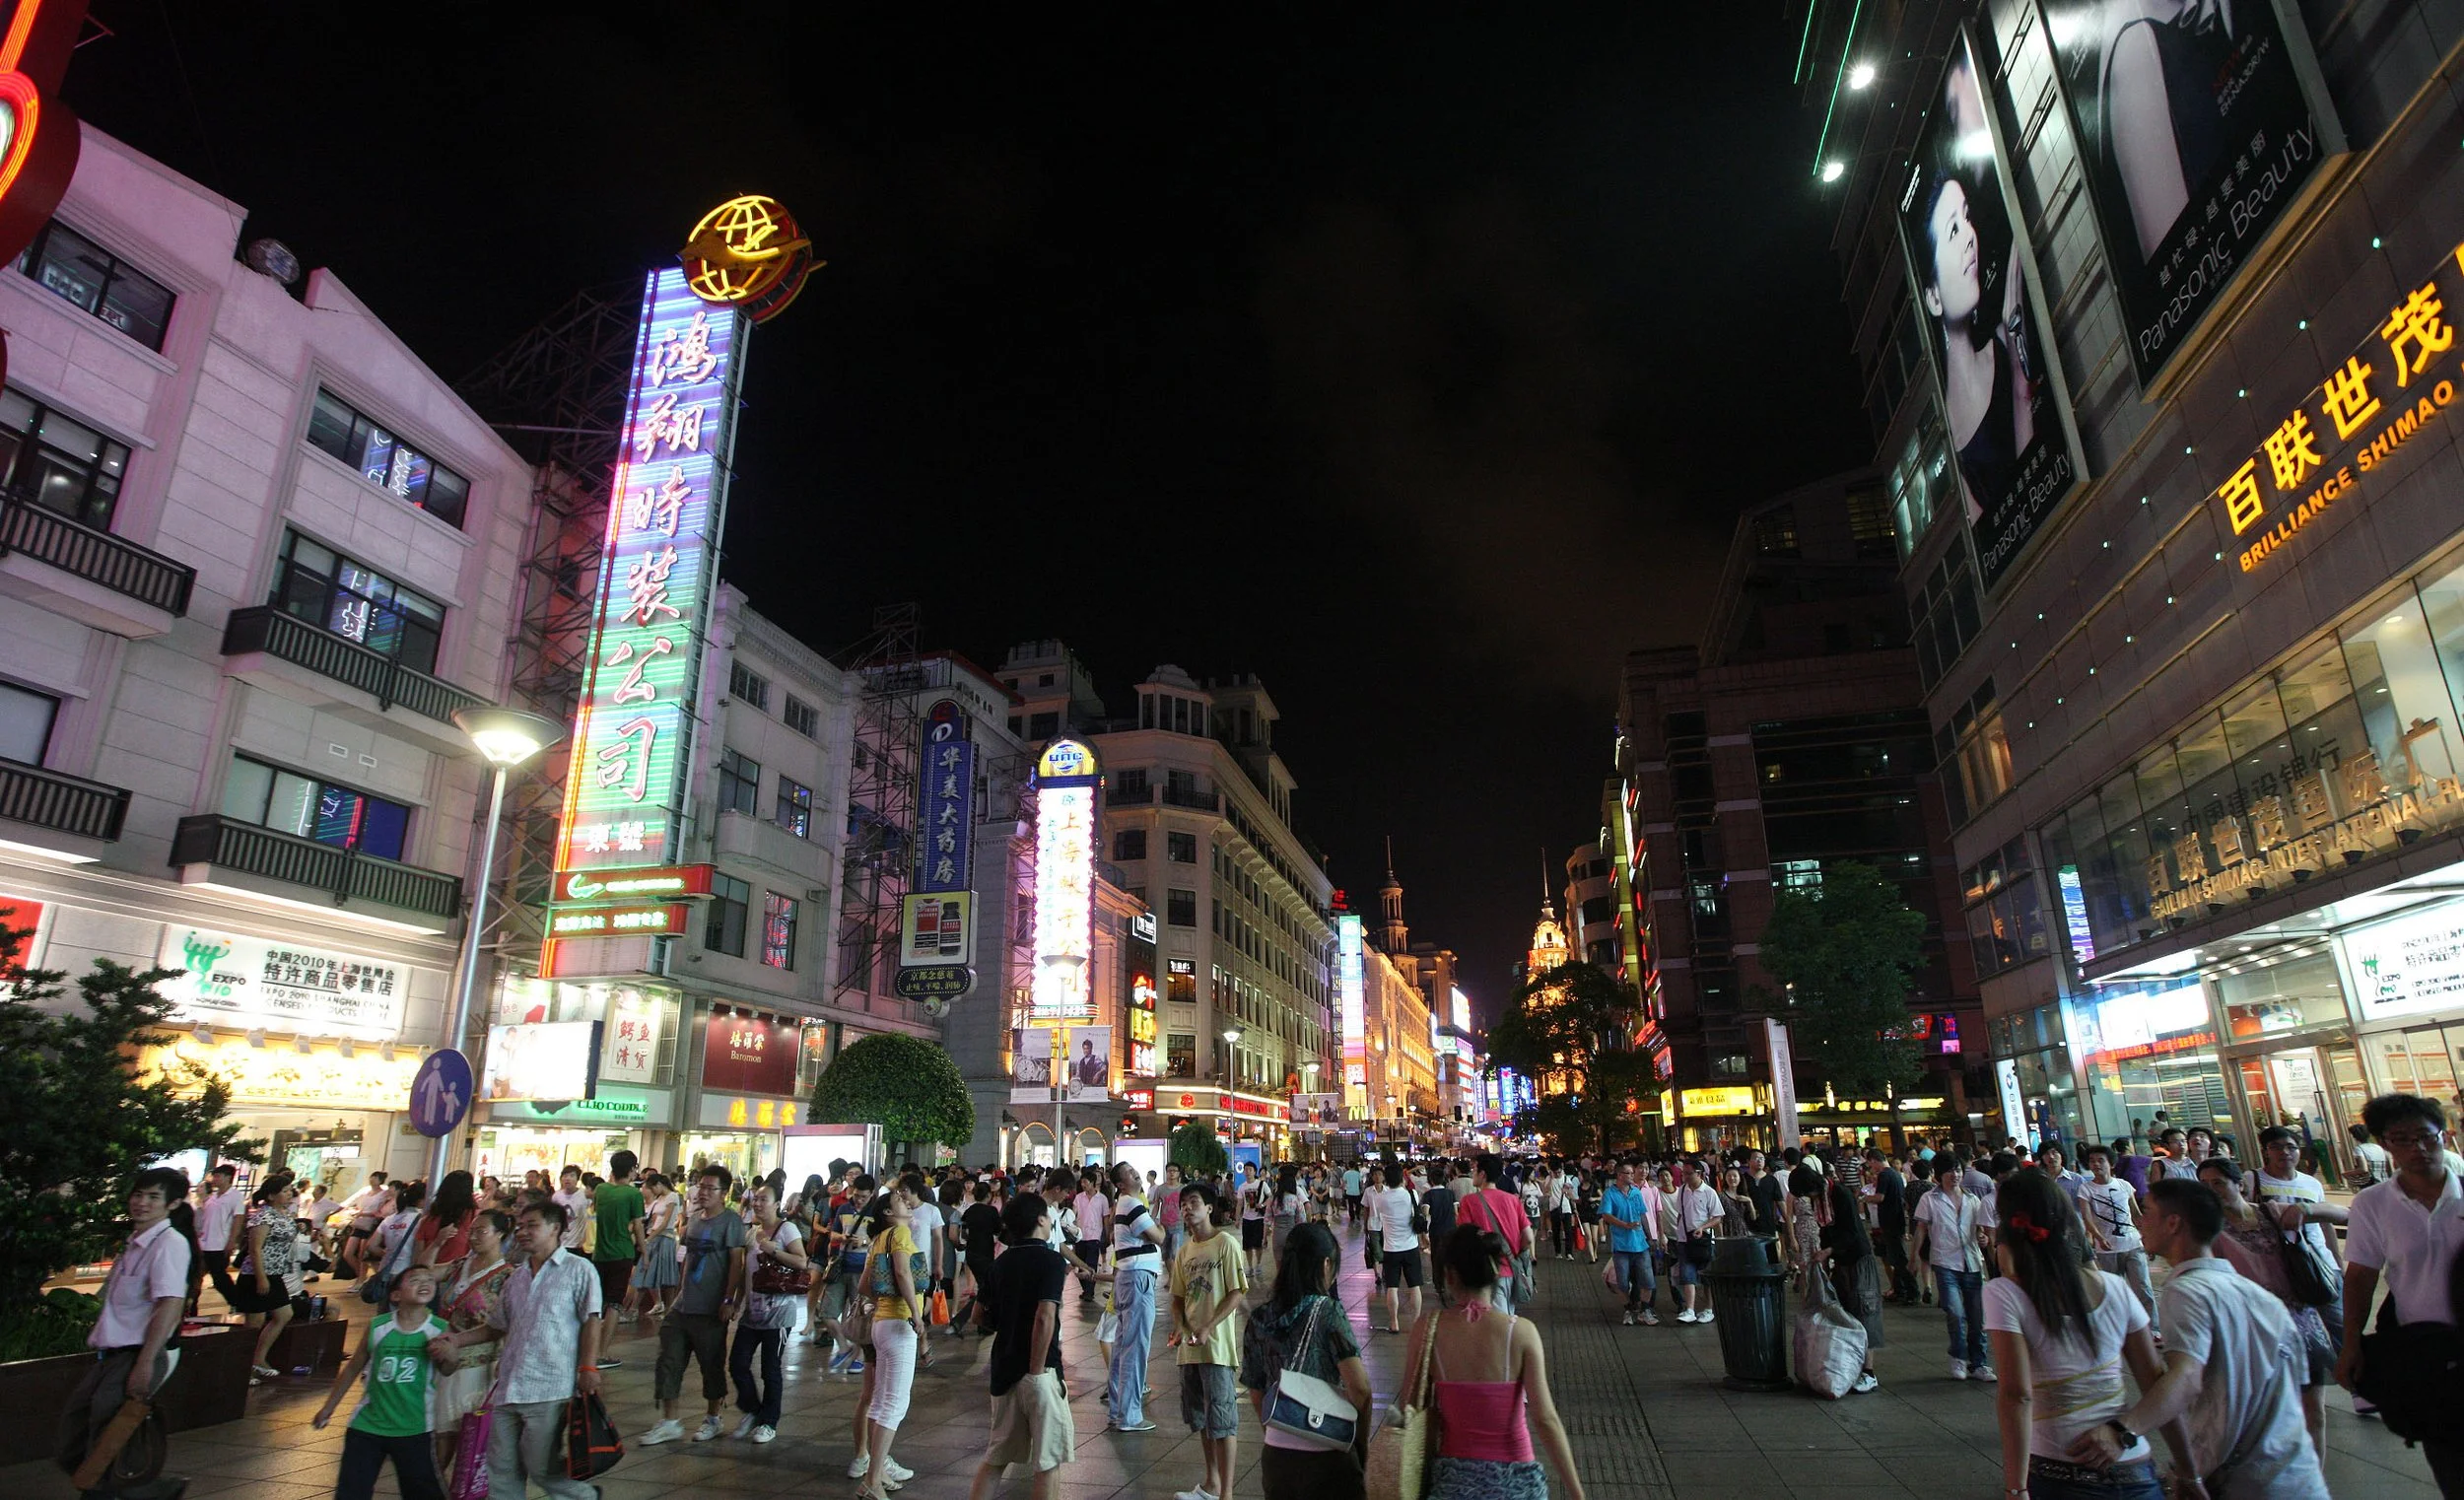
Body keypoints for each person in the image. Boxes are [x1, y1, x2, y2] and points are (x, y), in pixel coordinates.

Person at [2083, 1179, 2329, 1500]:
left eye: (2147, 1211)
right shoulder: (2263, 1299)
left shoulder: (2187, 1291)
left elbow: (2187, 1377)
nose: (2139, 1221)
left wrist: (2123, 1430)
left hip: (2244, 1484)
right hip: (2297, 1476)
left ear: (2173, 1223)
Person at [1982, 1171, 2192, 1500]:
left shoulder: (2004, 1294)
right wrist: (2189, 1471)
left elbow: (2017, 1396)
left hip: (2058, 1471)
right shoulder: (2115, 1287)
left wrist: (2016, 1486)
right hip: (2133, 1467)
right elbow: (2155, 1382)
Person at [433, 1198, 601, 1500]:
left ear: (555, 1228)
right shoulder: (517, 1277)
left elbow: (592, 1320)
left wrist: (588, 1367)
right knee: (501, 1468)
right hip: (508, 1386)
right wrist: (456, 1340)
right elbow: (496, 1326)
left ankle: (584, 1496)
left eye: (531, 1225)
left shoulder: (579, 1270)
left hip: (550, 1386)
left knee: (541, 1467)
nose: (522, 1232)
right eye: (520, 1226)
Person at [2338, 1092, 2464, 1493]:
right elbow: (2361, 1275)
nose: (2418, 1148)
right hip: (2427, 1354)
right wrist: (2351, 1344)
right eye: (2402, 1139)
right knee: (2450, 1459)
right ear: (2384, 1145)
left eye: (2426, 1136)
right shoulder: (2373, 1204)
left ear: (2444, 1135)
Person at [1403, 1227, 1587, 1500]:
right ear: (1497, 1272)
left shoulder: (1427, 1329)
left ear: (1449, 1275)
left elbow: (1407, 1404)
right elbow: (1545, 1419)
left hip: (1452, 1483)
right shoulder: (1521, 1332)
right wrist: (1576, 1492)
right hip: (1516, 1482)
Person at [56, 1167, 192, 1489]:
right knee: (75, 1432)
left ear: (173, 1204)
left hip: (136, 1353)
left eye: (153, 1197)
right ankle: (151, 1490)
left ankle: (123, 1491)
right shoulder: (134, 1242)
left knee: (107, 1437)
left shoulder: (169, 1243)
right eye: (138, 1194)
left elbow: (170, 1304)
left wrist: (145, 1362)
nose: (142, 1202)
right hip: (111, 1354)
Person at [2195, 1158, 2333, 1456]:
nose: (2211, 1190)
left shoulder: (2271, 1212)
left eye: (2218, 1183)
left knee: (2314, 1412)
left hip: (2301, 1322)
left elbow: (2341, 1213)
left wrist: (2304, 1209)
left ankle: (2315, 1478)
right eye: (2204, 1185)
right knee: (2269, 1416)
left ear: (2240, 1185)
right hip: (2253, 1330)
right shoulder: (2208, 1230)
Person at [1240, 1223, 1370, 1500]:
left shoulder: (1259, 1318)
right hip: (1327, 1451)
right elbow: (1360, 1389)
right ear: (1326, 1264)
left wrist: (1281, 1430)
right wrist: (1360, 1445)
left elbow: (1256, 1391)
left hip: (1276, 1455)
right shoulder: (1328, 1311)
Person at [967, 1191, 1074, 1500]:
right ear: (1040, 1220)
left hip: (1004, 1369)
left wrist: (1008, 1323)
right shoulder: (1051, 1261)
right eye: (1048, 1216)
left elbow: (977, 1316)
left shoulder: (1001, 1263)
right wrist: (1037, 1370)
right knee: (1048, 1460)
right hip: (1040, 1371)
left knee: (996, 1457)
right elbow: (1045, 1316)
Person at [313, 1263, 449, 1500]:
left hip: (415, 1428)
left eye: (429, 1279)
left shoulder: (439, 1328)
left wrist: (450, 1355)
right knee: (351, 1492)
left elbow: (448, 1369)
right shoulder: (378, 1326)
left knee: (421, 1491)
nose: (424, 1283)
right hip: (367, 1425)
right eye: (415, 1280)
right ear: (396, 1295)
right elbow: (353, 1367)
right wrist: (328, 1408)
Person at [642, 1164, 747, 1445]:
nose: (703, 1192)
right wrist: (678, 1293)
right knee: (669, 1360)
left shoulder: (731, 1222)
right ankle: (670, 1421)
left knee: (711, 1364)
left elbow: (736, 1264)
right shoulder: (695, 1220)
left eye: (710, 1188)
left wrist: (729, 1300)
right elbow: (688, 1260)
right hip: (683, 1305)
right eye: (701, 1186)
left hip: (711, 1307)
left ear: (724, 1193)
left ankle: (713, 1418)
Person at [855, 1175, 934, 1499]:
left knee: (880, 1400)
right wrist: (916, 1314)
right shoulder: (899, 1233)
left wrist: (884, 1301)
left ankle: (876, 1473)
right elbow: (901, 1271)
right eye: (899, 1200)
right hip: (900, 1324)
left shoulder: (879, 1238)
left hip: (881, 1324)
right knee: (895, 1402)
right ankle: (873, 1480)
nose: (905, 1201)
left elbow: (864, 1285)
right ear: (889, 1212)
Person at [1169, 1183, 1247, 1500]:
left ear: (1210, 1208)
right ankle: (1211, 1483)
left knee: (1223, 1420)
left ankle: (1226, 1493)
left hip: (1217, 1349)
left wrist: (1209, 1326)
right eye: (1183, 1204)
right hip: (1189, 1350)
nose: (1187, 1208)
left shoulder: (1225, 1243)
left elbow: (1237, 1292)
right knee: (1202, 1419)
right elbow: (1177, 1298)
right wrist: (1180, 1327)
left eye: (1194, 1202)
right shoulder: (1184, 1251)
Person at [432, 1208, 514, 1480]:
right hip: (444, 1360)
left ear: (500, 1234)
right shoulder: (460, 1265)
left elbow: (504, 1325)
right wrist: (436, 1244)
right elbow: (423, 1274)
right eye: (472, 1230)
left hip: (478, 1366)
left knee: (468, 1439)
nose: (474, 1236)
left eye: (482, 1231)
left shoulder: (507, 1276)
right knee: (441, 1435)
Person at [728, 1182, 807, 1444]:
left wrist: (773, 1249)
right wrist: (736, 1302)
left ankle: (768, 1422)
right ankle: (753, 1409)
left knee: (770, 1368)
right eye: (756, 1199)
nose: (758, 1204)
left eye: (764, 1199)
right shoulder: (752, 1233)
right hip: (752, 1311)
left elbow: (801, 1261)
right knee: (737, 1363)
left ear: (776, 1204)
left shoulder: (787, 1229)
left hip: (779, 1313)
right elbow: (746, 1273)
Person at [1912, 1157, 1995, 1382]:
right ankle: (1958, 1357)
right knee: (1956, 1313)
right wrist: (1914, 1256)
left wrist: (1983, 1238)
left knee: (1977, 1317)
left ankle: (1979, 1363)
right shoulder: (1929, 1199)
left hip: (1972, 1263)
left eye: (1957, 1170)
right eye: (1949, 1171)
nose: (1955, 1175)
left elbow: (1980, 1230)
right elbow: (1921, 1229)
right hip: (1945, 1262)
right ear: (1939, 1175)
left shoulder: (1972, 1199)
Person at [1105, 1161, 1165, 1432]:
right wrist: (1160, 1228)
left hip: (1128, 1278)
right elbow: (1158, 1236)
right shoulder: (1132, 1204)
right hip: (1138, 1278)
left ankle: (1118, 1410)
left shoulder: (1123, 1204)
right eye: (1129, 1173)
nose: (1136, 1173)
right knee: (1135, 1347)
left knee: (1122, 1347)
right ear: (1120, 1184)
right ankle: (1129, 1416)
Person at [233, 1173, 304, 1384]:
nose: (289, 1194)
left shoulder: (285, 1214)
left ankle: (258, 1359)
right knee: (254, 1323)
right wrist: (261, 1278)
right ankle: (243, 1369)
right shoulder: (263, 1216)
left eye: (290, 1190)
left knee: (284, 1314)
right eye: (284, 1191)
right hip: (255, 1274)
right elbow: (255, 1249)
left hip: (275, 1273)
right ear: (271, 1195)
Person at [1815, 1175, 1882, 1392]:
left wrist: (1829, 1250)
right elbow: (1826, 1231)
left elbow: (1852, 1231)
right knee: (1844, 1312)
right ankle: (1851, 1366)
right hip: (1842, 1263)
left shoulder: (1840, 1194)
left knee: (1865, 1313)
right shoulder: (1822, 1200)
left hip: (1859, 1260)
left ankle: (1869, 1373)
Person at [2078, 1143, 2155, 1319]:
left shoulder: (2124, 1185)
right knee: (2114, 1291)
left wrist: (2147, 1236)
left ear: (2111, 1164)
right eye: (2092, 1161)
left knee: (2143, 1288)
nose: (2096, 1164)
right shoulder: (2086, 1189)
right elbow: (2087, 1218)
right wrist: (2099, 1237)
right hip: (2107, 1249)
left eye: (2100, 1160)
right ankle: (2122, 1324)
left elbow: (2136, 1214)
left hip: (2133, 1244)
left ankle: (2153, 1327)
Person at [589, 1149, 646, 1366]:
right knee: (614, 1304)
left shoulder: (601, 1189)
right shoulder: (633, 1194)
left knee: (596, 1304)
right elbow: (638, 1226)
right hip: (622, 1254)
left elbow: (598, 1212)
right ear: (632, 1169)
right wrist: (645, 1253)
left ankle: (588, 1351)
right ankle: (602, 1354)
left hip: (600, 1253)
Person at [1457, 1154, 1532, 1308]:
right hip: (1511, 1269)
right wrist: (1515, 1252)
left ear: (1483, 1174)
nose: (1472, 1173)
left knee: (1497, 1321)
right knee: (1508, 1316)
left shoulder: (1469, 1201)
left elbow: (1464, 1238)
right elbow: (1529, 1237)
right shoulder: (1513, 1200)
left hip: (1485, 1274)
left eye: (1474, 1169)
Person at [1600, 1162, 1658, 1327]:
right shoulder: (1610, 1194)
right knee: (1622, 1282)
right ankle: (1629, 1309)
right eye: (1629, 1173)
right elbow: (1606, 1215)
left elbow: (1643, 1215)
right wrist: (1625, 1225)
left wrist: (1650, 1237)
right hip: (1621, 1245)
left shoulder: (1636, 1192)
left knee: (1648, 1280)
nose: (1632, 1176)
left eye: (1633, 1173)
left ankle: (1645, 1310)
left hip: (1640, 1244)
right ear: (1620, 1175)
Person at [1369, 1162, 1424, 1335]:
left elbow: (1378, 1216)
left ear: (1386, 1179)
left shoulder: (1380, 1198)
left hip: (1391, 1248)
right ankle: (1416, 1322)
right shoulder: (1411, 1194)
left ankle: (1394, 1322)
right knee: (1414, 1286)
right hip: (1411, 1246)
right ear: (1402, 1178)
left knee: (1392, 1287)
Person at [1670, 1161, 1721, 1324]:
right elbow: (1680, 1213)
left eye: (1688, 1173)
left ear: (1699, 1173)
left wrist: (1703, 1227)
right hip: (1685, 1239)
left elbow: (1717, 1217)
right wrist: (1679, 1232)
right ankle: (1690, 1310)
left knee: (1707, 1276)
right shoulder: (1682, 1190)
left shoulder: (1709, 1192)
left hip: (1704, 1240)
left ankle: (1709, 1309)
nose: (1684, 1176)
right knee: (1687, 1275)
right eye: (1683, 1173)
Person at [191, 1163, 243, 1310]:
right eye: (214, 1176)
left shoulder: (236, 1196)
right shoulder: (212, 1197)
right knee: (196, 1276)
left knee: (219, 1278)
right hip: (203, 1243)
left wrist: (232, 1241)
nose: (214, 1179)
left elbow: (238, 1218)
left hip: (219, 1245)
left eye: (218, 1176)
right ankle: (191, 1307)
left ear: (228, 1177)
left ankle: (237, 1302)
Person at [956, 1179, 1003, 1334]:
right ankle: (972, 1322)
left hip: (971, 1252)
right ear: (988, 1195)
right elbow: (998, 1230)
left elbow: (964, 1232)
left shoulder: (969, 1211)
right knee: (986, 1288)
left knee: (984, 1287)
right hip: (986, 1252)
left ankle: (981, 1323)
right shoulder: (991, 1211)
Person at [1071, 1172, 1111, 1301]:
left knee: (1091, 1264)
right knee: (1080, 1264)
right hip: (1080, 1235)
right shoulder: (1079, 1197)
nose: (1083, 1184)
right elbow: (1073, 1214)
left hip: (1095, 1236)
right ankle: (1086, 1289)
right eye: (1082, 1182)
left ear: (1092, 1182)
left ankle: (1089, 1291)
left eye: (1085, 1182)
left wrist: (1107, 1233)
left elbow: (1105, 1218)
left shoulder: (1102, 1199)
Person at [552, 1165, 589, 1252]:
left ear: (577, 1179)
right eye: (565, 1176)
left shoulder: (585, 1195)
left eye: (572, 1176)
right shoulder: (556, 1196)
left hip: (578, 1244)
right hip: (559, 1243)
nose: (567, 1179)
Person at [2350, 1120, 2394, 1188]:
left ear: (2354, 1137)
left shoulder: (2359, 1149)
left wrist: (2347, 1174)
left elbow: (2363, 1169)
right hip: (2385, 1182)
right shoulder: (2379, 1147)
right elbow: (2390, 1168)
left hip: (2371, 1184)